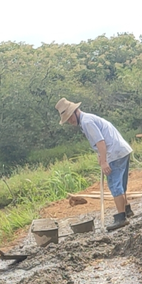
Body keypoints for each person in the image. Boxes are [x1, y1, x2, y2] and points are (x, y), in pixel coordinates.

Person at [56, 98, 134, 231]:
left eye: (70, 117)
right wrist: (100, 156)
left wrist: (104, 162)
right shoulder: (88, 119)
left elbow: (101, 142)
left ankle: (121, 218)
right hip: (121, 150)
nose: (70, 121)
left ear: (75, 111)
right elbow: (100, 141)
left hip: (114, 153)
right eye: (67, 119)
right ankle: (127, 210)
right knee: (120, 184)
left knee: (115, 185)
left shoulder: (87, 122)